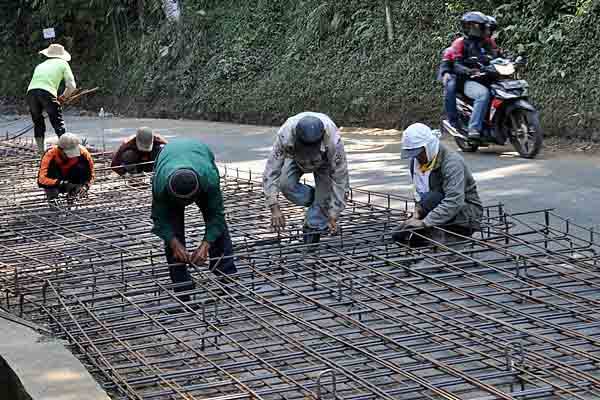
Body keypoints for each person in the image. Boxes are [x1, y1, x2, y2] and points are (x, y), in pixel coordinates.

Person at [151, 138, 237, 302]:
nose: (185, 205)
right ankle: (182, 289)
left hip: (199, 155)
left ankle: (227, 277)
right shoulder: (160, 185)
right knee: (172, 230)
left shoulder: (209, 180)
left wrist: (206, 244)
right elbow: (159, 219)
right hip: (169, 158)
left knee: (217, 227)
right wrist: (174, 243)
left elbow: (216, 216)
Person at [263, 112, 349, 244]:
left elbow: (340, 177)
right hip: (294, 157)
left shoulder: (333, 141)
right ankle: (320, 202)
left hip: (324, 162)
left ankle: (313, 225)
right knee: (285, 184)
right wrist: (274, 207)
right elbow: (271, 170)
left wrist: (333, 212)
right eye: (305, 161)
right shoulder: (285, 136)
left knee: (323, 204)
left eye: (312, 161)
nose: (309, 165)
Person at [392, 123, 482, 245]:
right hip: (438, 207)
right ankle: (431, 231)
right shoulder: (416, 162)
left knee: (434, 199)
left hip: (465, 213)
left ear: (429, 146)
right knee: (399, 235)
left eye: (419, 153)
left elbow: (454, 201)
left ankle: (447, 236)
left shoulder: (452, 163)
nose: (417, 158)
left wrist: (425, 222)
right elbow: (420, 194)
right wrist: (416, 215)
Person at [442, 11, 496, 138]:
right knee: (483, 94)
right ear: (466, 27)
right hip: (468, 80)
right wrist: (469, 70)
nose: (476, 29)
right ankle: (474, 128)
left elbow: (498, 56)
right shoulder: (460, 43)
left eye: (478, 26)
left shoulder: (488, 42)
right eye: (473, 26)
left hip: (487, 78)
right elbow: (456, 64)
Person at [26, 44, 77, 154]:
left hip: (31, 93)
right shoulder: (63, 63)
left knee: (38, 122)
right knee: (57, 122)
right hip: (47, 92)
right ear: (62, 56)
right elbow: (72, 86)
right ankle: (67, 151)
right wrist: (63, 97)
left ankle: (41, 152)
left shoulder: (40, 65)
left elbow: (37, 86)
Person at [37, 132, 94, 206]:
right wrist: (62, 183)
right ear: (60, 150)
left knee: (81, 167)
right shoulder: (50, 154)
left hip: (73, 180)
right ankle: (54, 203)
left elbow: (91, 174)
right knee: (50, 185)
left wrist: (86, 186)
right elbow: (42, 179)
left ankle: (73, 198)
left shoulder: (83, 153)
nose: (72, 156)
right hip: (56, 182)